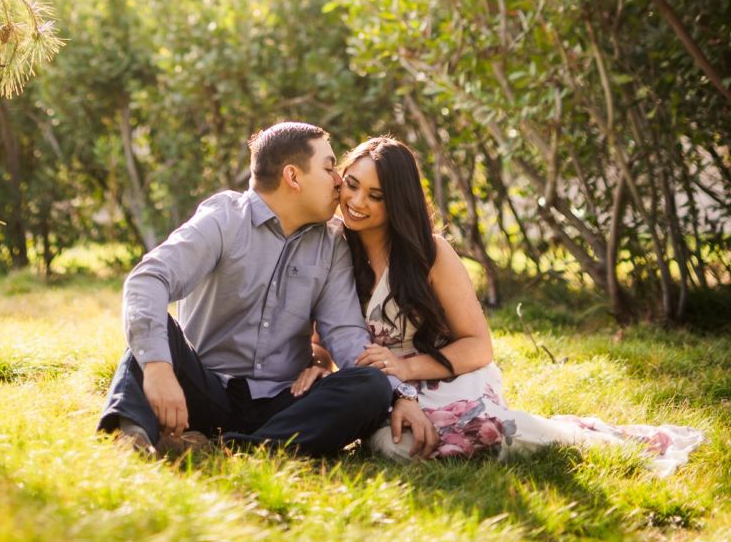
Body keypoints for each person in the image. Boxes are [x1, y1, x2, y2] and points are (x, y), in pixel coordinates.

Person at [292, 136, 704, 475]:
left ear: (397, 202)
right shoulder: (329, 245)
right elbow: (326, 338)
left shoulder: (428, 253)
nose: (357, 201)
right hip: (380, 388)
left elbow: (477, 346)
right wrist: (315, 361)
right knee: (392, 447)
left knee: (487, 430)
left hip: (445, 375)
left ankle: (605, 443)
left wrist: (405, 368)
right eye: (351, 184)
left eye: (375, 195)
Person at [97, 122, 437, 457]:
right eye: (329, 167)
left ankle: (235, 447)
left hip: (283, 402)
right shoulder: (225, 219)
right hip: (204, 391)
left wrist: (400, 395)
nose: (339, 181)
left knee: (369, 387)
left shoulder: (332, 243)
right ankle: (131, 436)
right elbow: (148, 279)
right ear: (293, 177)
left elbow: (346, 336)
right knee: (152, 336)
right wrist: (159, 367)